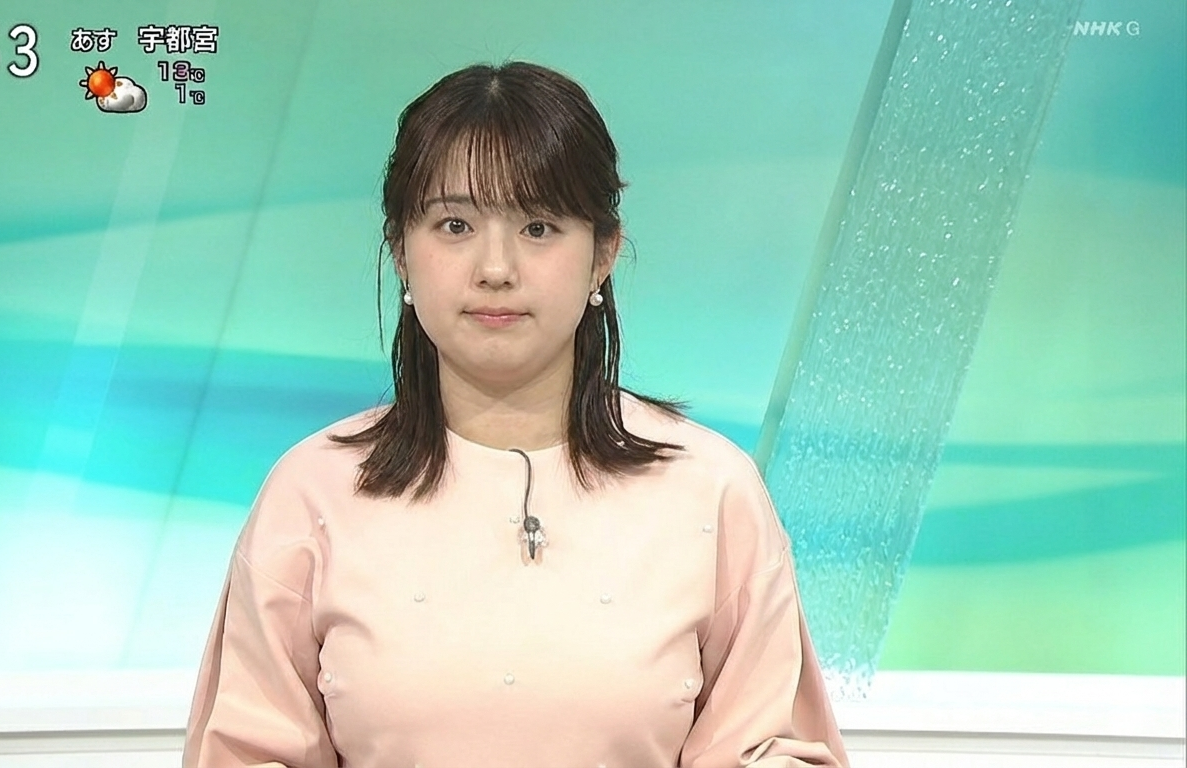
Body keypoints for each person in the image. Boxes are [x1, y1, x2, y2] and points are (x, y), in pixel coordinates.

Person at [182, 61, 848, 768]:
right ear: (401, 252)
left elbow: (772, 747)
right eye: (455, 224)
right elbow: (245, 752)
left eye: (537, 226)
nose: (495, 268)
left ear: (603, 254)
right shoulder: (311, 494)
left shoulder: (712, 490)